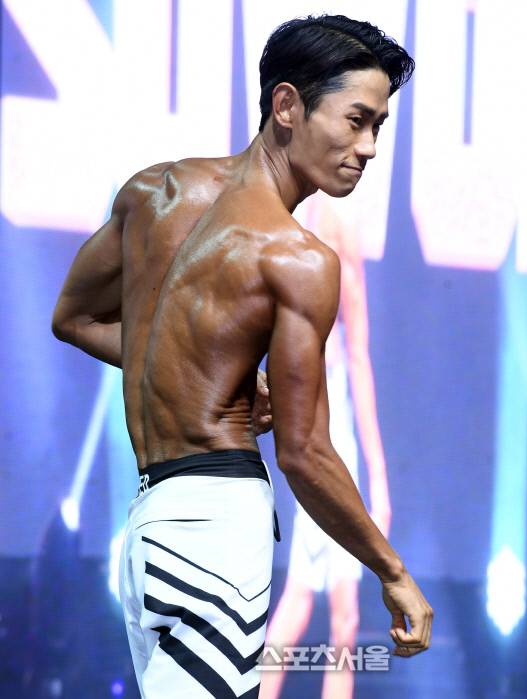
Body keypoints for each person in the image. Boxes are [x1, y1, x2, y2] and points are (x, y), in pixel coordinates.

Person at [52, 14, 432, 699]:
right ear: (286, 105)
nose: (369, 147)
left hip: (150, 530)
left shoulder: (155, 192)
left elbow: (76, 319)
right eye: (355, 121)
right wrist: (391, 570)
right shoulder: (298, 258)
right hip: (215, 533)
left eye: (378, 126)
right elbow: (304, 452)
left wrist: (204, 370)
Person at [261, 193, 390, 699]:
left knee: (334, 612)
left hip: (335, 447)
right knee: (315, 606)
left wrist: (379, 479)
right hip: (314, 448)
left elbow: (360, 369)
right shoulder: (296, 275)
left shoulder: (344, 281)